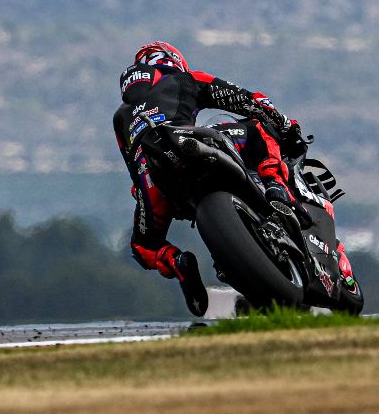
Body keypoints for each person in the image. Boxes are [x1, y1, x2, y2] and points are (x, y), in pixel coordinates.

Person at [111, 40, 318, 317]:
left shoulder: (121, 117)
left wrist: (143, 193)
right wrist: (285, 125)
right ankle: (276, 188)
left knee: (143, 246)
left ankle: (178, 263)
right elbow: (245, 99)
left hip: (154, 179)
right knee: (259, 129)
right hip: (192, 142)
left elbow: (134, 176)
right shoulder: (185, 79)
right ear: (173, 60)